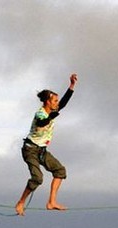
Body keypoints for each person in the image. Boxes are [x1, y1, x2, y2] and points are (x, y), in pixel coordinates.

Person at [15, 73, 78, 216]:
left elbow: (63, 103)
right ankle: (20, 202)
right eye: (54, 101)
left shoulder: (52, 110)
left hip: (42, 151)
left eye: (57, 101)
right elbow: (43, 122)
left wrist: (72, 86)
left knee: (60, 171)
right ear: (47, 102)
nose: (57, 103)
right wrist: (55, 114)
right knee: (38, 178)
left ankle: (51, 202)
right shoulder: (40, 114)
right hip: (30, 150)